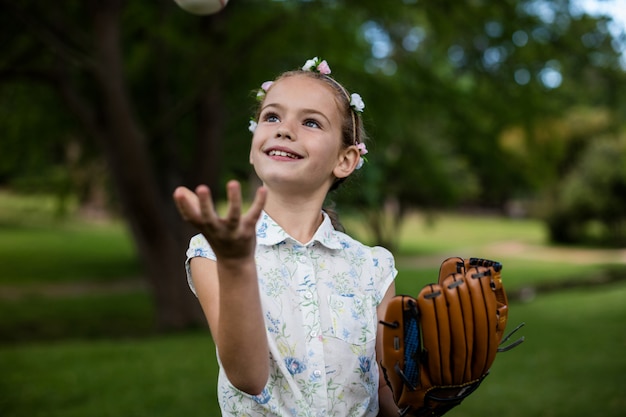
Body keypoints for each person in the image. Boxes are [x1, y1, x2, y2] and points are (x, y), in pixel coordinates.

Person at [173, 57, 399, 417]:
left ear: (346, 159)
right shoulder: (213, 254)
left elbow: (387, 389)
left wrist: (425, 401)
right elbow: (248, 377)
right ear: (254, 145)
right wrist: (236, 264)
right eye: (272, 117)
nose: (284, 129)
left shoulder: (373, 268)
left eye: (310, 122)